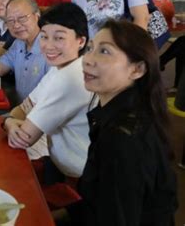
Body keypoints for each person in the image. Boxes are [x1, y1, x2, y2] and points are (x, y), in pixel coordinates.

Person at [57, 20, 178, 225]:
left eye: (104, 51)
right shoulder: (123, 112)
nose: (87, 60)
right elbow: (98, 201)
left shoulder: (123, 138)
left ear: (137, 70)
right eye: (90, 48)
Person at [2, 2, 93, 183]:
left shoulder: (70, 78)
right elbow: (23, 107)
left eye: (59, 38)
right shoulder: (61, 68)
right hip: (60, 160)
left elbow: (24, 138)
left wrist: (8, 121)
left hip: (76, 175)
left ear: (81, 41)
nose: (48, 46)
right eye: (44, 37)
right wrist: (11, 121)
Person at [0, 0, 49, 106]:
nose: (16, 25)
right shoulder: (18, 43)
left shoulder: (50, 49)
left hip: (41, 118)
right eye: (10, 21)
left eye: (22, 18)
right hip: (19, 111)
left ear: (37, 16)